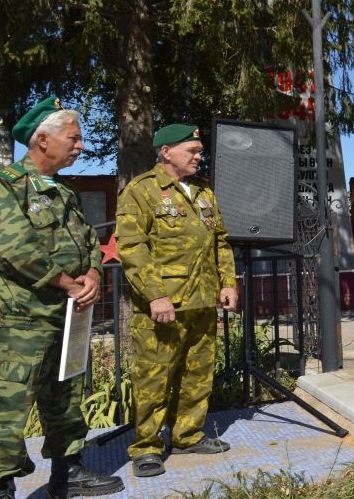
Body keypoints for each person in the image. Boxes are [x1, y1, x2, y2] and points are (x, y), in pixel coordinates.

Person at [0, 98, 124, 499]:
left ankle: (67, 474)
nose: (81, 146)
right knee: (8, 405)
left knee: (65, 395)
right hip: (20, 320)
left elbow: (89, 241)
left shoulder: (63, 193)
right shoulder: (7, 185)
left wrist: (90, 273)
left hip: (66, 316)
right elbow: (14, 246)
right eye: (73, 138)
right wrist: (67, 282)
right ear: (41, 139)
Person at [116, 124, 238, 478]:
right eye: (192, 151)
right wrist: (156, 295)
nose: (199, 156)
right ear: (166, 152)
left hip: (202, 300)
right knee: (154, 377)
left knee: (197, 374)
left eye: (199, 151)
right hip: (164, 305)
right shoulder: (141, 191)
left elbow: (220, 240)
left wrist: (228, 282)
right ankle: (146, 447)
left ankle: (187, 435)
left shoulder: (203, 192)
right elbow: (132, 248)